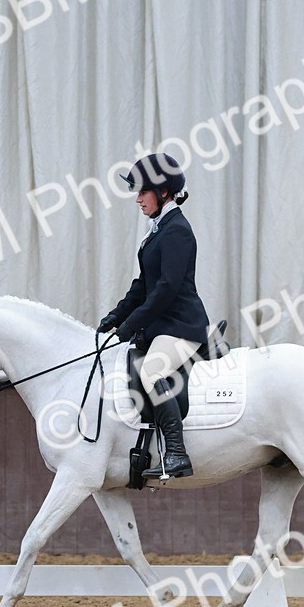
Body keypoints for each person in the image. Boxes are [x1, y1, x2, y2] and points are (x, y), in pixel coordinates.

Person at [98, 153, 210, 478]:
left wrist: (131, 325)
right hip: (164, 327)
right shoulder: (159, 230)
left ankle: (176, 452)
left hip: (182, 328)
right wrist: (115, 318)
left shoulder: (177, 231)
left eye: (142, 192)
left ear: (162, 192)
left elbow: (165, 290)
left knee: (151, 371)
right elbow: (142, 285)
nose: (137, 199)